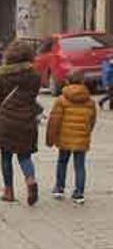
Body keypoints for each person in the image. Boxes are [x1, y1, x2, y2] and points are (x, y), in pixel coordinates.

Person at [0, 40, 43, 206]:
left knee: (6, 156)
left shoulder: (1, 74)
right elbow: (33, 95)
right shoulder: (34, 74)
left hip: (7, 120)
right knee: (24, 155)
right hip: (27, 119)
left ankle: (9, 191)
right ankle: (30, 180)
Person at [46, 72, 97, 204]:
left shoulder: (61, 100)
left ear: (67, 82)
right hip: (81, 138)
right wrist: (86, 132)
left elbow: (54, 120)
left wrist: (50, 138)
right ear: (83, 82)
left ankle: (59, 188)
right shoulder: (90, 101)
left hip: (64, 138)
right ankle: (79, 193)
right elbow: (92, 120)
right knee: (80, 165)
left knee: (62, 162)